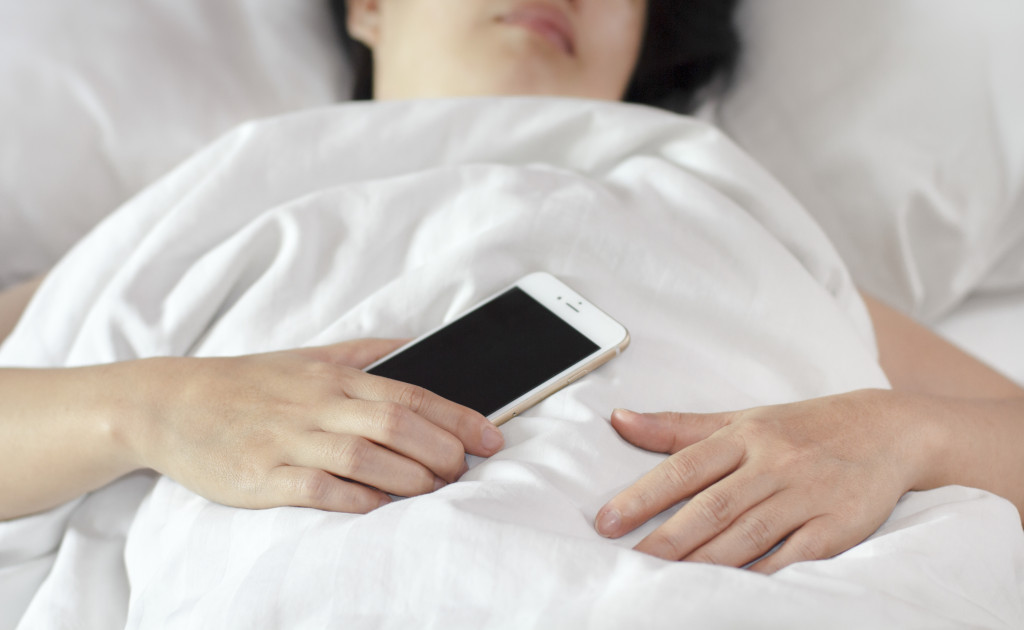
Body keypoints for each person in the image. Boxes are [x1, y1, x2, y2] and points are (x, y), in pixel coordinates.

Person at [1, 0, 1021, 579]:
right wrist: (153, 407)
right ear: (368, 5)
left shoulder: (732, 209)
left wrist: (903, 435)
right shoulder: (210, 201)